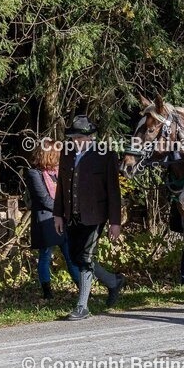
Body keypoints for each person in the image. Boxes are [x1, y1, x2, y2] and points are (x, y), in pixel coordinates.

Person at [52, 115, 126, 320]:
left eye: (79, 137)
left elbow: (114, 191)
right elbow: (61, 187)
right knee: (77, 257)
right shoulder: (66, 154)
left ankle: (82, 306)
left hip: (95, 216)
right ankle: (113, 282)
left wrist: (115, 222)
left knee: (84, 258)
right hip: (71, 215)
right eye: (73, 137)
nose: (76, 141)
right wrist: (57, 214)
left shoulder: (106, 155)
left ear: (90, 137)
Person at [25, 140, 79, 299]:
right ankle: (47, 293)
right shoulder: (34, 173)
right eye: (57, 153)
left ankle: (82, 289)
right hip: (46, 220)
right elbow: (44, 199)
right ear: (49, 154)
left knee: (71, 256)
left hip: (63, 219)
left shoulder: (58, 172)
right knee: (45, 256)